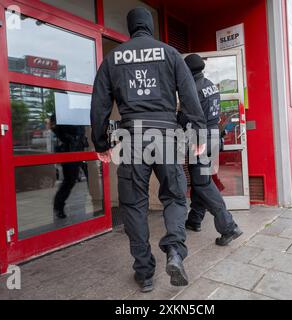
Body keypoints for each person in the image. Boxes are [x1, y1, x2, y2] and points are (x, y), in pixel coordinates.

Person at [90, 8, 206, 293]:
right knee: (175, 197)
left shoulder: (113, 58)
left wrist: (101, 143)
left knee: (133, 206)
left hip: (131, 138)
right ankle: (175, 251)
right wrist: (198, 131)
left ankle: (144, 273)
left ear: (130, 28)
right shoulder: (169, 53)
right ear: (150, 26)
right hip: (165, 135)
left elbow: (99, 104)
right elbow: (189, 95)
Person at [181, 54, 243, 246]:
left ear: (188, 70)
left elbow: (185, 117)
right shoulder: (210, 86)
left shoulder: (192, 88)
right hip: (213, 138)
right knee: (202, 179)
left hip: (199, 140)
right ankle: (194, 220)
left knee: (202, 184)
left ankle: (229, 226)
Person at [50, 114, 89, 219]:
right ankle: (58, 206)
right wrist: (69, 139)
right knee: (70, 180)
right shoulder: (61, 110)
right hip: (70, 151)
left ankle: (95, 202)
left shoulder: (76, 112)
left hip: (81, 151)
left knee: (88, 177)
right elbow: (54, 127)